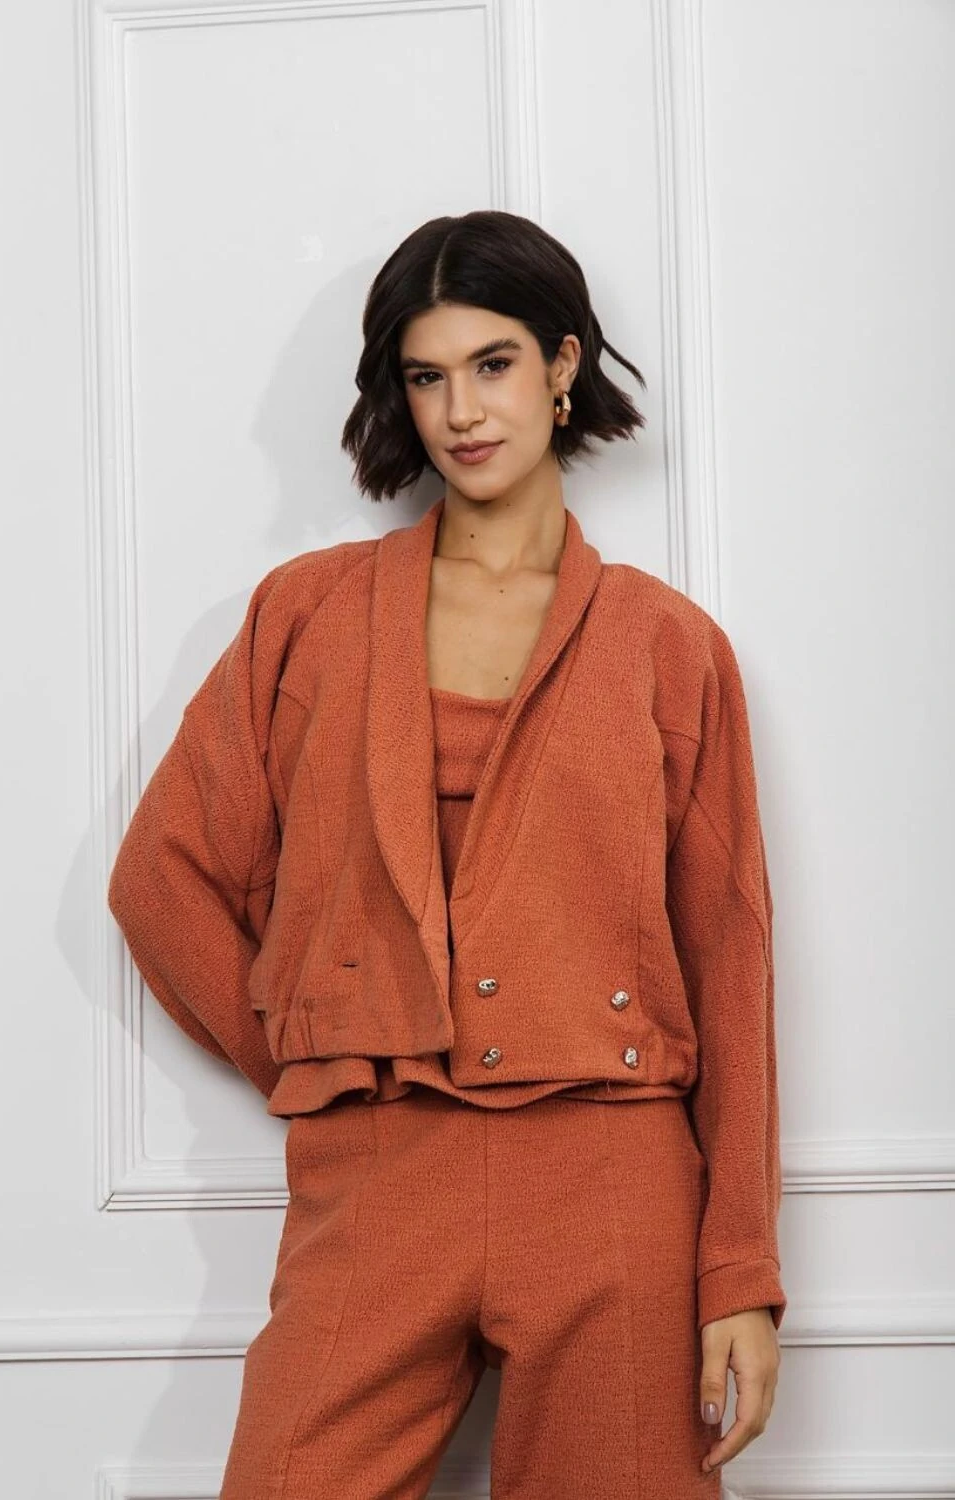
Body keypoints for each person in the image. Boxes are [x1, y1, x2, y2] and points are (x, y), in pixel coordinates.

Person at [108, 209, 786, 1498]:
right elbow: (161, 877)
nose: (462, 410)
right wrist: (316, 1055)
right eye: (426, 376)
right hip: (378, 1172)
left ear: (563, 365)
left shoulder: (667, 646)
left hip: (611, 1175)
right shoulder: (308, 614)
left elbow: (730, 959)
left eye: (493, 364)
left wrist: (740, 1272)